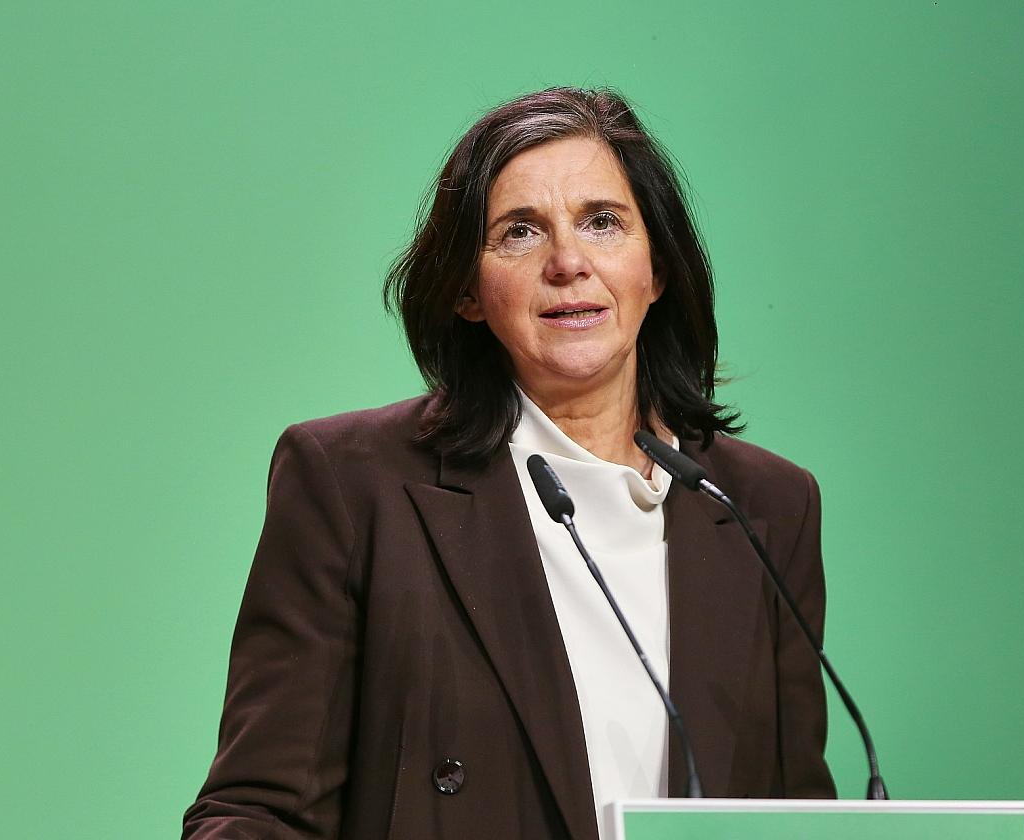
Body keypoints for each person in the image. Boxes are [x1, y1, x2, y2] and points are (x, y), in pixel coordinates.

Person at [182, 87, 834, 840]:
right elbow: (256, 813)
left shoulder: (764, 506)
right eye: (519, 232)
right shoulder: (352, 483)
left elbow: (795, 816)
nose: (569, 263)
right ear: (467, 290)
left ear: (656, 269)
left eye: (602, 221)